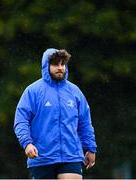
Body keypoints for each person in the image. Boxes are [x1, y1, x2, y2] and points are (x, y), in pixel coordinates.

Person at [14, 48, 97, 179]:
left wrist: (91, 148)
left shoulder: (75, 91)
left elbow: (85, 123)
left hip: (71, 156)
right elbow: (21, 121)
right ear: (46, 66)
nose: (60, 68)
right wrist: (27, 144)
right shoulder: (33, 91)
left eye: (62, 64)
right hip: (42, 157)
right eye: (55, 64)